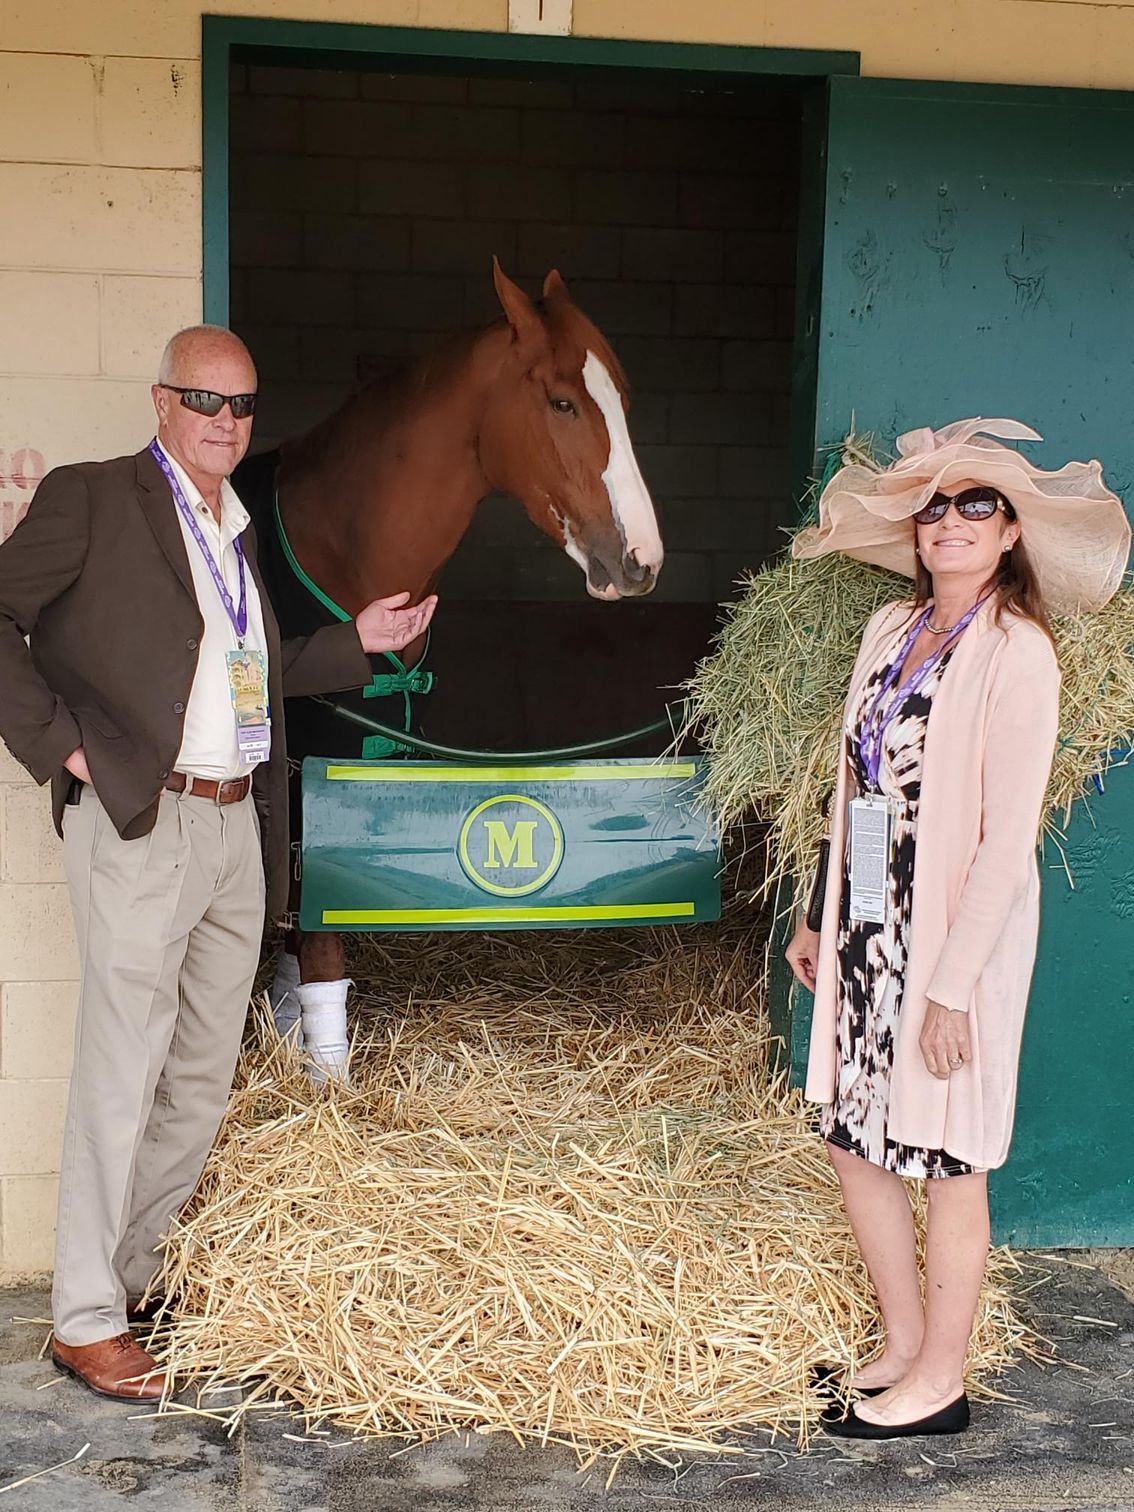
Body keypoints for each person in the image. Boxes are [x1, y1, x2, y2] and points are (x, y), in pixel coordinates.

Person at [0, 325, 437, 1403]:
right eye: (204, 400)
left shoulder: (235, 528)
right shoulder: (96, 499)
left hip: (233, 826)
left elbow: (254, 672)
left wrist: (360, 641)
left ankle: (133, 1275)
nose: (224, 422)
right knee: (123, 1067)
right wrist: (63, 748)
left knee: (199, 1072)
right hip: (143, 819)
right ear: (161, 403)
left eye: (240, 406)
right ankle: (84, 1318)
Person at [785, 418, 1129, 1440]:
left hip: (947, 949)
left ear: (1013, 529)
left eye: (976, 503)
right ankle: (899, 1345)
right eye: (934, 505)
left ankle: (941, 1380)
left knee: (947, 1159)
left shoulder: (1020, 653)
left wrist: (949, 986)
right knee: (857, 1143)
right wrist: (818, 914)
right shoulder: (889, 629)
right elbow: (853, 789)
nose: (951, 521)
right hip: (865, 931)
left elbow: (1004, 839)